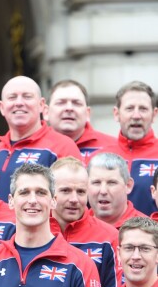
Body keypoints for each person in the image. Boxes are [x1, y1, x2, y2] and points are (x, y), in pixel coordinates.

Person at [0, 75, 81, 201]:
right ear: (1, 107)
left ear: (42, 105)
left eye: (27, 97)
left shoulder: (63, 146)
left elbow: (73, 203)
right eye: (12, 97)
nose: (19, 103)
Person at [50, 156, 121, 287]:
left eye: (81, 192)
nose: (74, 199)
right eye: (65, 191)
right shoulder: (34, 232)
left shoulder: (110, 237)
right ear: (50, 192)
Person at [105, 81, 158, 216]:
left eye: (143, 109)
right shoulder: (101, 157)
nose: (136, 116)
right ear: (116, 114)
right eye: (129, 108)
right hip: (109, 236)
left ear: (154, 114)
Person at [44, 79, 117, 164]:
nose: (69, 108)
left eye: (76, 103)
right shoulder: (31, 147)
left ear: (87, 113)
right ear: (46, 112)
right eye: (61, 103)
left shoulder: (112, 147)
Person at [88, 151, 147, 229]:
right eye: (96, 182)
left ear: (128, 185)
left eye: (111, 183)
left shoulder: (148, 231)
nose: (103, 191)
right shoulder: (73, 225)